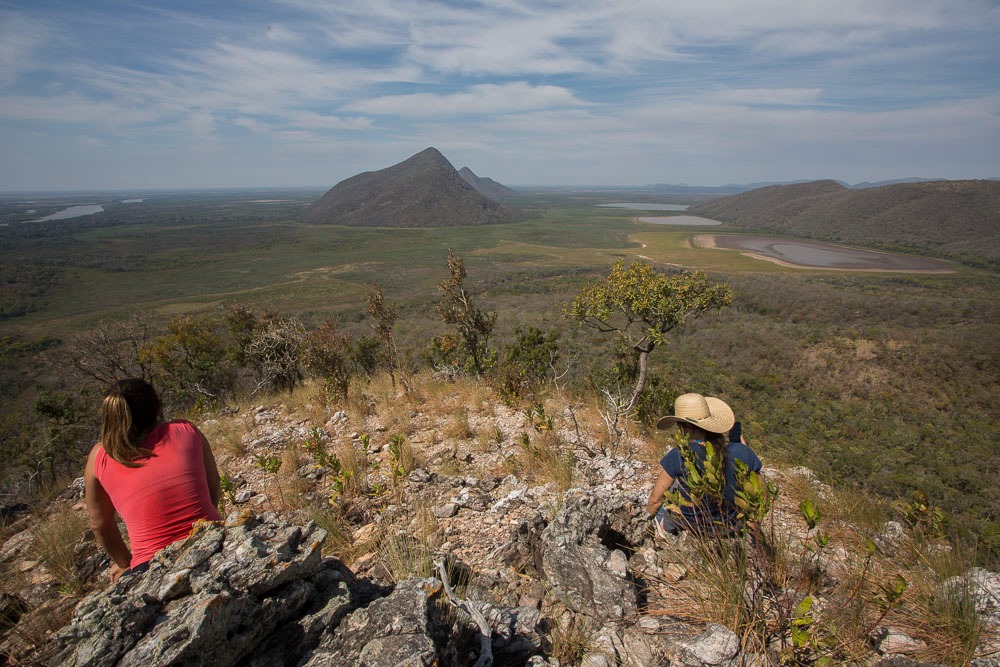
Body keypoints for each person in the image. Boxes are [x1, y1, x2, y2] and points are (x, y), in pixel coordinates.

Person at [84, 379, 222, 582]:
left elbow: (100, 525)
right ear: (157, 406)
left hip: (151, 565)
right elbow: (214, 484)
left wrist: (125, 564)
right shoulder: (185, 430)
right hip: (214, 540)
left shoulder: (99, 457)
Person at [646, 393, 762, 536]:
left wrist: (646, 520)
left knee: (664, 509)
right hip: (730, 528)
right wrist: (744, 450)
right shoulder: (743, 452)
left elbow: (655, 500)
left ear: (688, 427)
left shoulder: (679, 455)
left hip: (692, 527)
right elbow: (760, 494)